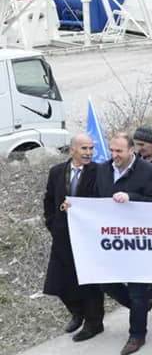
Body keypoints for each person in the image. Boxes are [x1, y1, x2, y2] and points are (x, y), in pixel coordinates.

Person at [92, 132, 152, 355]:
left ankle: (137, 334)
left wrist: (132, 198)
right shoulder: (102, 170)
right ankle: (140, 306)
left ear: (131, 150)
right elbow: (96, 199)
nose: (114, 156)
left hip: (137, 240)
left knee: (136, 289)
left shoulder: (149, 172)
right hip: (111, 238)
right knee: (106, 282)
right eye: (112, 151)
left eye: (119, 151)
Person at [42, 134, 104, 343]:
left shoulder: (99, 172)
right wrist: (52, 222)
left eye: (91, 149)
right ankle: (77, 312)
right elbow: (49, 200)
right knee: (57, 282)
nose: (88, 153)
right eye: (84, 149)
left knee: (88, 281)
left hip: (88, 237)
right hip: (62, 235)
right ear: (72, 151)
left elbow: (102, 201)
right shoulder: (57, 172)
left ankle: (94, 323)